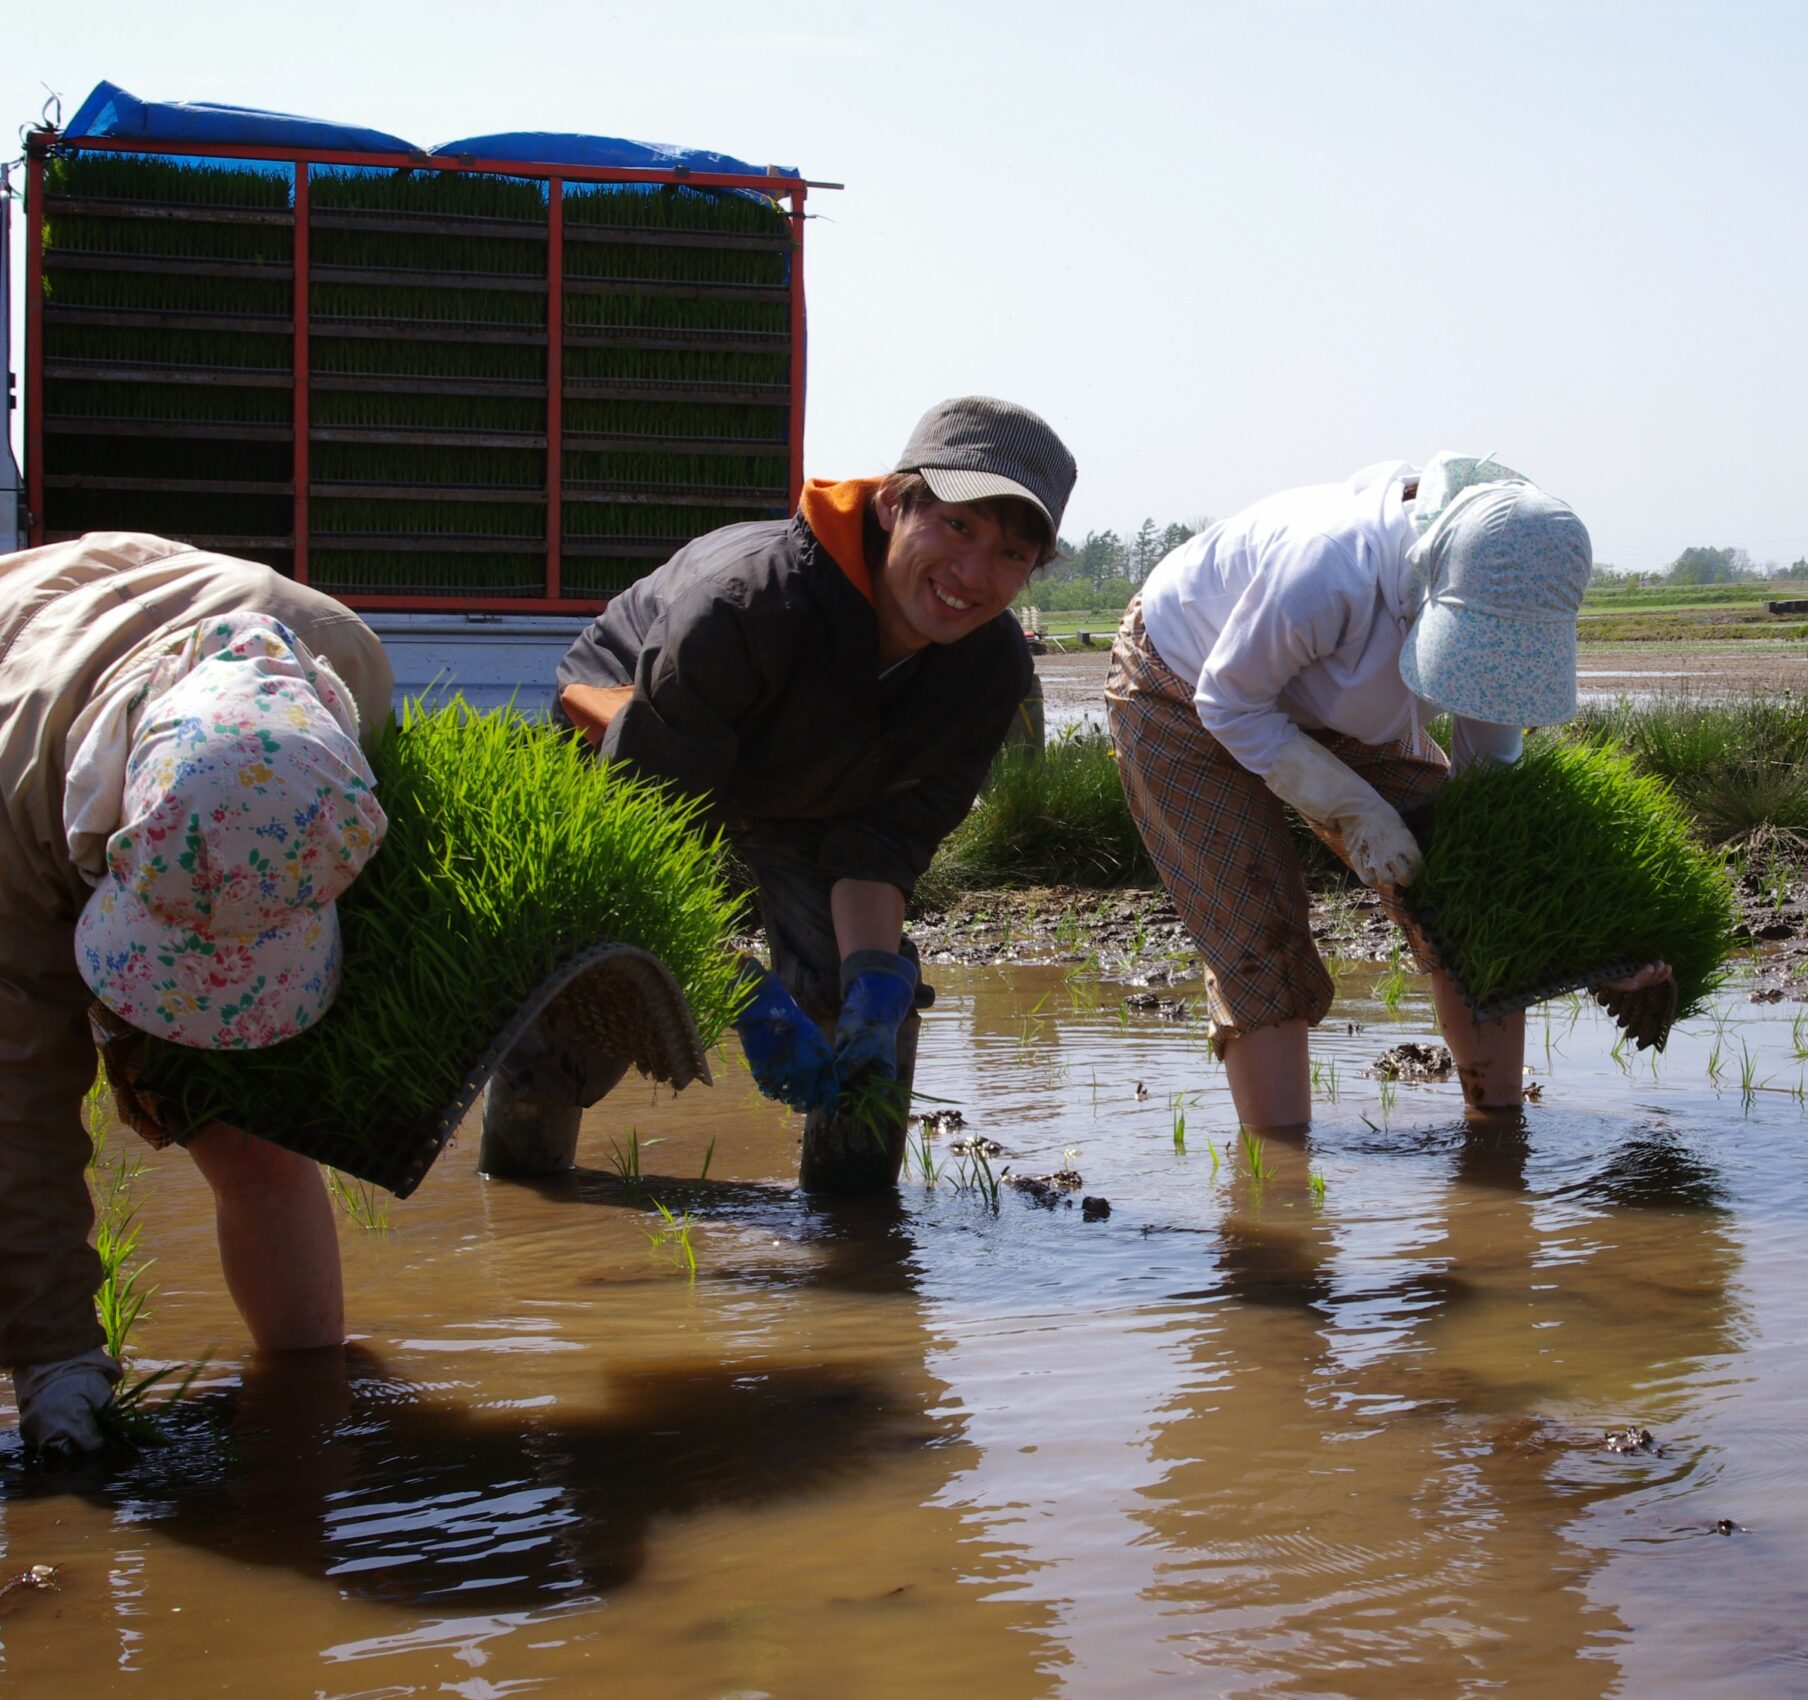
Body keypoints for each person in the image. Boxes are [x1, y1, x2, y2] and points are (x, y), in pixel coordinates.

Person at [524, 396, 1077, 1191]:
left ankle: (855, 1241)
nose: (971, 574)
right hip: (635, 764)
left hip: (804, 788)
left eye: (1011, 554)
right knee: (599, 986)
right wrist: (730, 984)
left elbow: (882, 841)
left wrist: (872, 987)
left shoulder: (988, 673)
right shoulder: (745, 605)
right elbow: (643, 839)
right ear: (895, 503)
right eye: (957, 527)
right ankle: (527, 1178)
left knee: (860, 990)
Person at [1104, 454, 1664, 1132]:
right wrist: (1353, 809)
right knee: (1256, 926)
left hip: (1326, 698)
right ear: (1432, 587)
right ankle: (1282, 1189)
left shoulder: (1508, 599)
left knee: (1459, 885)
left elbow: (1486, 788)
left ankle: (1497, 1130)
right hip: (1184, 685)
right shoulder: (1329, 569)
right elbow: (1230, 703)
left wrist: (1594, 938)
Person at [1, 533, 396, 1461]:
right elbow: (18, 1110)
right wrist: (54, 1355)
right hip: (26, 698)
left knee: (250, 1127)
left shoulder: (346, 665)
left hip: (136, 651)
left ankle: (308, 1402)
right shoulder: (15, 809)